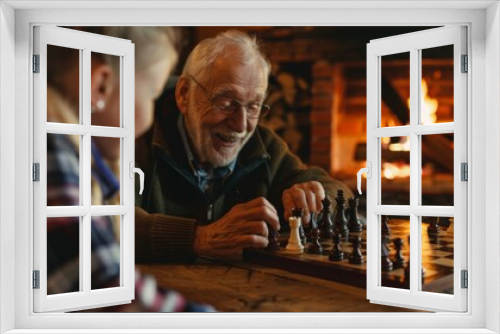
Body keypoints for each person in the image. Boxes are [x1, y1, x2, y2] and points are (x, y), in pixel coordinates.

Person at [135, 30, 353, 262]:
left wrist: (316, 195)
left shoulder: (263, 145)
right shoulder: (139, 137)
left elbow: (339, 192)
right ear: (184, 94)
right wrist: (197, 238)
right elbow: (106, 221)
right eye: (226, 102)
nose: (240, 125)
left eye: (253, 107)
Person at [46, 26, 214, 312]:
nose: (149, 118)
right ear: (100, 85)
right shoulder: (49, 148)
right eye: (151, 94)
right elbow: (106, 290)